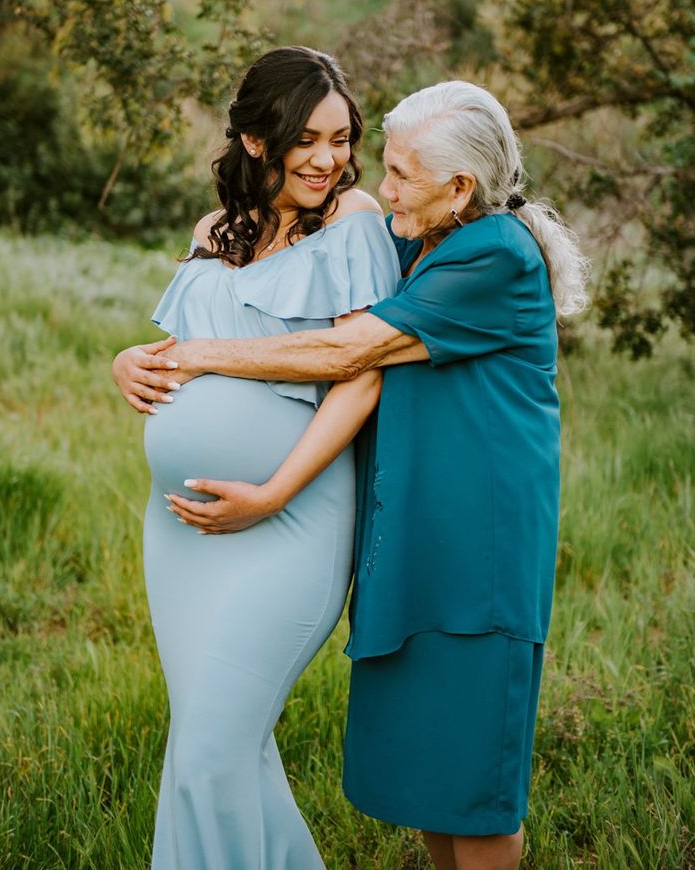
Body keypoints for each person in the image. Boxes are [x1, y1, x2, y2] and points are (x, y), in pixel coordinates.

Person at [115, 80, 590, 870]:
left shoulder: (494, 254)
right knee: (435, 782)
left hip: (477, 552)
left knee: (473, 789)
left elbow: (346, 352)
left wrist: (189, 356)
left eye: (398, 173)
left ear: (459, 187)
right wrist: (141, 354)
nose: (373, 183)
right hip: (407, 539)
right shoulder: (426, 239)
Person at [112, 45, 401, 870]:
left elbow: (359, 370)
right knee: (226, 747)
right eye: (306, 139)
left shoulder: (354, 221)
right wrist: (129, 361)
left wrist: (274, 492)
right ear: (255, 140)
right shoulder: (215, 229)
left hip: (291, 522)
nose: (328, 160)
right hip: (180, 537)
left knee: (208, 752)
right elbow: (184, 348)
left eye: (342, 139)